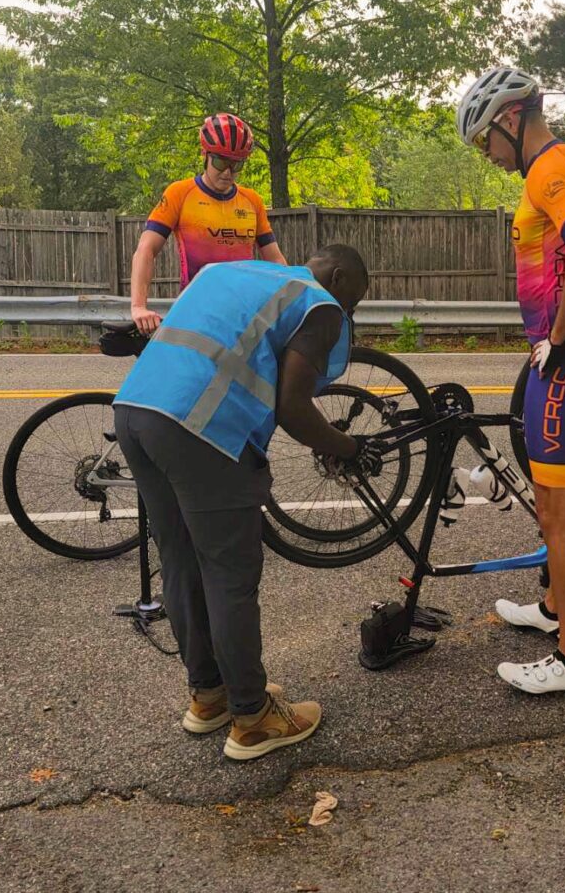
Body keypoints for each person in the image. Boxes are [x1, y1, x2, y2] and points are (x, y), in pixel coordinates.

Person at [113, 245, 379, 760]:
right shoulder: (317, 303)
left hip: (136, 412)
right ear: (339, 276)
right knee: (229, 575)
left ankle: (210, 696)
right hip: (199, 431)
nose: (351, 313)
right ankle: (253, 718)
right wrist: (348, 447)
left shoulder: (240, 272)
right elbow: (294, 406)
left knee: (181, 560)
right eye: (356, 300)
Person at [456, 67, 565, 695]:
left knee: (557, 513)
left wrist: (558, 334)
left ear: (509, 118)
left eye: (485, 142)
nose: (489, 157)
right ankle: (557, 608)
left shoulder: (547, 168)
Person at [130, 112, 288, 334]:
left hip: (245, 316)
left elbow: (276, 260)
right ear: (205, 154)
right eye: (221, 161)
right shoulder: (180, 193)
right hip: (197, 315)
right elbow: (145, 250)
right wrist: (138, 307)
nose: (227, 172)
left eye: (236, 164)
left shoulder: (252, 200)